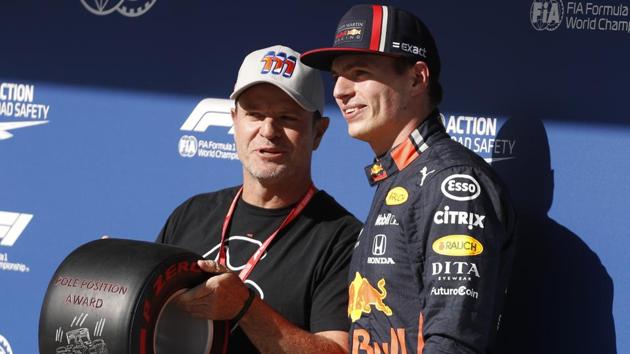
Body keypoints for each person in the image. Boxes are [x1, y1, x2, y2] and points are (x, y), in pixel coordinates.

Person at [301, 5, 517, 354]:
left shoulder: (454, 182)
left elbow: (454, 344)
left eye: (358, 73)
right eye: (337, 76)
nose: (340, 91)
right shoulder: (401, 176)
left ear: (417, 79)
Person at [156, 44, 362, 353]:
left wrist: (245, 307)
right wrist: (122, 274)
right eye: (254, 114)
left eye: (287, 117)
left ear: (318, 132)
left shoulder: (343, 238)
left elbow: (340, 351)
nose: (268, 130)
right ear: (234, 120)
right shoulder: (191, 214)